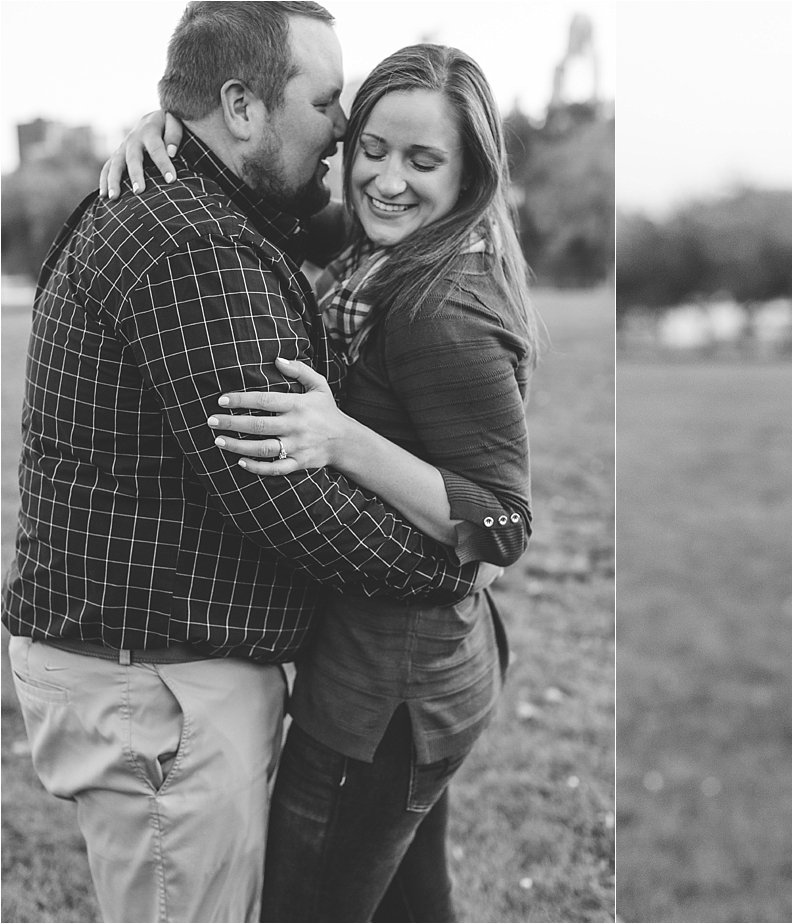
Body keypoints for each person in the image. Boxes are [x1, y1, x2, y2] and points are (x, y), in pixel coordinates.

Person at [2, 4, 486, 921]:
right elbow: (284, 496)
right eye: (327, 99)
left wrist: (170, 128)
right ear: (243, 107)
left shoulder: (217, 210)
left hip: (158, 675)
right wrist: (449, 559)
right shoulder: (195, 247)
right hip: (157, 689)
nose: (343, 127)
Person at [106, 42, 539, 921]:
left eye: (423, 161)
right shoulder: (378, 256)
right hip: (412, 676)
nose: (387, 180)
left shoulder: (439, 309)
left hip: (387, 697)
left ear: (469, 173)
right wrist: (164, 132)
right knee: (413, 908)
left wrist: (344, 441)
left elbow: (502, 529)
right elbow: (252, 182)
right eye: (373, 148)